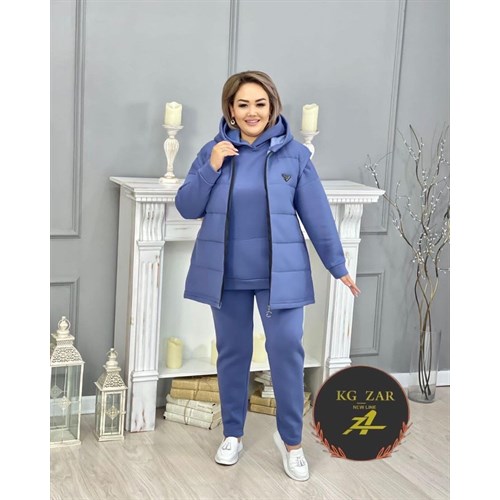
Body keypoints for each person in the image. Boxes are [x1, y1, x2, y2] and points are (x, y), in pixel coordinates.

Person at [175, 70, 360, 481]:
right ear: (230, 109)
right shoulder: (213, 150)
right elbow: (187, 206)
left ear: (272, 106)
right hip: (227, 275)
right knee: (233, 353)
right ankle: (233, 434)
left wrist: (339, 267)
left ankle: (292, 442)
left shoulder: (295, 156)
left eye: (260, 103)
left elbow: (317, 216)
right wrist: (212, 166)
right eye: (243, 104)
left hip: (281, 276)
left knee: (287, 353)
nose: (252, 112)